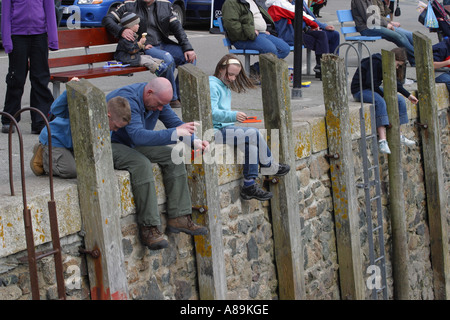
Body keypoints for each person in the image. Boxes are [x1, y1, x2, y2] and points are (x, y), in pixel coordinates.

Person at [107, 77, 209, 250]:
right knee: (141, 164)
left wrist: (194, 141)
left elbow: (176, 124)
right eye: (160, 104)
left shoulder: (158, 100)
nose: (161, 108)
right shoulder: (129, 99)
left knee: (173, 156)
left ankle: (180, 217)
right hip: (111, 143)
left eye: (164, 105)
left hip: (133, 143)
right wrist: (175, 132)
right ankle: (149, 227)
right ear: (149, 93)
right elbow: (138, 135)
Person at [209, 54, 291, 201]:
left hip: (224, 128)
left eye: (235, 75)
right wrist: (233, 116)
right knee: (253, 133)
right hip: (213, 132)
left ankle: (249, 185)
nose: (233, 79)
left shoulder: (223, 85)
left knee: (251, 146)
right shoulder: (212, 85)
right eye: (230, 74)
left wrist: (232, 118)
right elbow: (211, 113)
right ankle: (269, 164)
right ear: (221, 69)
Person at [102, 0, 197, 109]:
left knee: (191, 58)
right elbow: (107, 19)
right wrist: (121, 30)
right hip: (145, 47)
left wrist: (187, 47)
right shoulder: (129, 4)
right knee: (167, 59)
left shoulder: (165, 5)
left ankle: (177, 94)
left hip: (163, 44)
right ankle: (172, 98)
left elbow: (177, 28)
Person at [30, 78, 132, 179]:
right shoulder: (84, 111)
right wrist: (68, 93)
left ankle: (55, 155)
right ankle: (43, 155)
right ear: (108, 116)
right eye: (116, 126)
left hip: (71, 146)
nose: (115, 130)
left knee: (87, 167)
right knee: (71, 170)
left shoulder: (107, 128)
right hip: (56, 140)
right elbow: (56, 110)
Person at [1, 0, 59, 134]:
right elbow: (5, 14)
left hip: (39, 35)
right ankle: (9, 119)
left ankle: (40, 121)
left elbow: (50, 11)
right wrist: (7, 41)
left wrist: (53, 40)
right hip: (17, 35)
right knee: (16, 79)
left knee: (40, 79)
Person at [350, 48, 418, 155]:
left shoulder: (385, 64)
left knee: (399, 99)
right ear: (393, 59)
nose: (397, 67)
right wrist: (384, 95)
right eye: (398, 64)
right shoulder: (375, 62)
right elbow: (370, 83)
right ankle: (382, 140)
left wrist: (408, 96)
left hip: (372, 88)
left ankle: (398, 134)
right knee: (380, 102)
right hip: (361, 89)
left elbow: (394, 83)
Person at [265, 0, 340, 78]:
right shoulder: (281, 4)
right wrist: (316, 26)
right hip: (290, 35)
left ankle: (329, 65)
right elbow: (300, 15)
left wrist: (316, 27)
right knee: (320, 39)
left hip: (302, 30)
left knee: (332, 34)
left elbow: (310, 17)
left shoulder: (300, 2)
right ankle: (323, 68)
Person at [221, 0, 291, 80]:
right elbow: (231, 25)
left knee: (285, 49)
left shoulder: (252, 1)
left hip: (261, 34)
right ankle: (267, 77)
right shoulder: (231, 2)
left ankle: (255, 69)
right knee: (271, 49)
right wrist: (250, 34)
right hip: (243, 38)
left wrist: (265, 30)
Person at [351, 0, 415, 66]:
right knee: (398, 36)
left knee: (401, 35)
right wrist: (386, 25)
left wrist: (387, 22)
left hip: (374, 25)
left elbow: (377, 16)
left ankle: (414, 59)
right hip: (366, 28)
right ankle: (417, 56)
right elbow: (369, 18)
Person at [114, 12, 170, 77]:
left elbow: (135, 46)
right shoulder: (126, 38)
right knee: (146, 61)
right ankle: (158, 70)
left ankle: (161, 64)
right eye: (137, 24)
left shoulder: (133, 35)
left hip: (132, 57)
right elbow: (132, 49)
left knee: (148, 57)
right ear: (130, 26)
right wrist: (140, 43)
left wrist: (144, 47)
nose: (139, 25)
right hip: (126, 59)